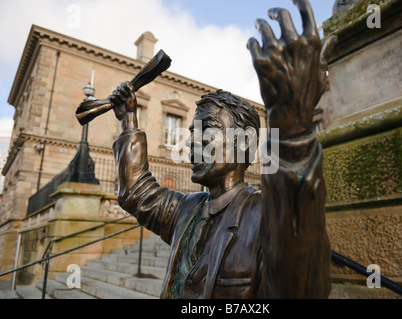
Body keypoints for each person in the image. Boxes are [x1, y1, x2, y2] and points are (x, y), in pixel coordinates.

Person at [110, 0, 336, 299]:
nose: (191, 141)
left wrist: (292, 127)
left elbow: (298, 286)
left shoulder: (264, 215)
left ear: (245, 144)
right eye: (192, 133)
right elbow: (135, 191)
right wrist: (128, 120)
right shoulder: (187, 209)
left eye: (207, 131)